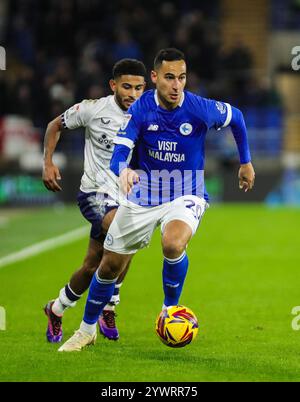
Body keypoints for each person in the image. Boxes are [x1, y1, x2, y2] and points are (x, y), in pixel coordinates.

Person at [58, 48, 255, 352]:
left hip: (185, 191)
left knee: (173, 243)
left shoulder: (199, 108)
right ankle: (86, 330)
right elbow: (121, 149)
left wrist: (245, 162)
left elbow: (237, 118)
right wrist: (122, 171)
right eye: (170, 78)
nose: (177, 85)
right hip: (145, 193)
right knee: (109, 266)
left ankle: (170, 310)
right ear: (154, 78)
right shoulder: (142, 108)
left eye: (182, 78)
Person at [42, 58, 146, 342]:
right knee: (125, 231)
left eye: (138, 88)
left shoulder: (149, 114)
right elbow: (55, 125)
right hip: (95, 193)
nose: (133, 94)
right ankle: (109, 306)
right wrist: (48, 163)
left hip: (126, 197)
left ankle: (57, 307)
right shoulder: (93, 109)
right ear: (113, 85)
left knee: (92, 265)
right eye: (126, 87)